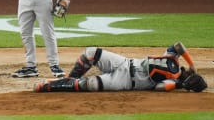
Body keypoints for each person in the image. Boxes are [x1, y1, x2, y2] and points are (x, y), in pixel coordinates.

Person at [34, 41, 207, 92]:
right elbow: (178, 45)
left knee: (91, 85)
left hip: (124, 81)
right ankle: (70, 79)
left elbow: (160, 87)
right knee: (90, 53)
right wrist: (192, 65)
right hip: (124, 62)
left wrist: (179, 84)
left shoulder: (173, 81)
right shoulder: (173, 60)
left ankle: (48, 86)